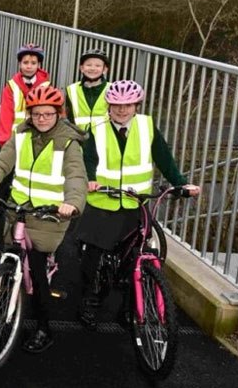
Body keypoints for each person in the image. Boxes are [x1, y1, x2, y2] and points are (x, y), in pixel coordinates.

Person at [76, 80, 201, 329]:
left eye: (127, 105)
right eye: (116, 106)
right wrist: (90, 180)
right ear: (109, 106)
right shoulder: (97, 128)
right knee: (93, 254)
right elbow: (88, 159)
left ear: (136, 105)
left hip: (136, 201)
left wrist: (181, 183)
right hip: (104, 199)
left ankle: (129, 307)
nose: (121, 110)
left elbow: (164, 159)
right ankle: (90, 300)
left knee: (136, 255)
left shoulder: (147, 127)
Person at [0, 85, 87, 353]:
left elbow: (76, 176)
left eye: (48, 114)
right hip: (19, 210)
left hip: (49, 215)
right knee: (8, 254)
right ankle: (3, 294)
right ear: (30, 114)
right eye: (37, 114)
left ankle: (44, 328)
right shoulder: (21, 135)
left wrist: (71, 203)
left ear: (59, 114)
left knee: (37, 273)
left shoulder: (68, 142)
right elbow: (1, 163)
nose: (42, 119)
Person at [0, 43, 51, 147]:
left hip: (39, 140)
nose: (29, 66)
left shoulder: (47, 86)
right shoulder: (11, 87)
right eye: (25, 62)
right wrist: (4, 142)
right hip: (14, 140)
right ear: (19, 64)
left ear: (39, 65)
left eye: (33, 63)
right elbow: (5, 115)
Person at [66, 49, 111, 132]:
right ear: (81, 68)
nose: (93, 68)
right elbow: (69, 118)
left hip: (104, 140)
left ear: (104, 70)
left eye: (98, 66)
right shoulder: (71, 90)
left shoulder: (112, 89)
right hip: (79, 138)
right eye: (88, 65)